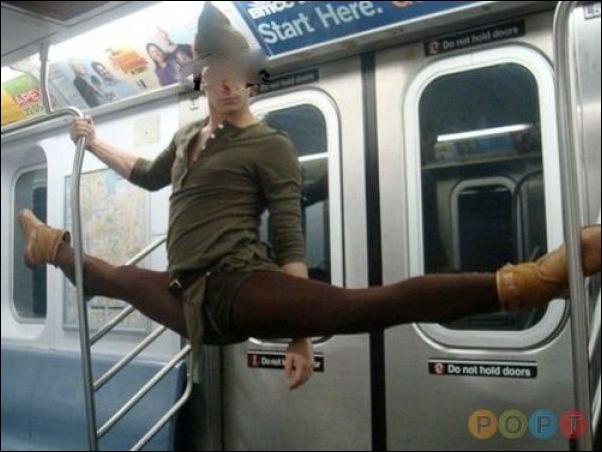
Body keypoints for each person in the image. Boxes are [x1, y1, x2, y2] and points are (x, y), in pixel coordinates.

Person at [17, 2, 602, 391]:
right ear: (202, 79)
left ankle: (531, 281)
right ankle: (49, 246)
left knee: (368, 305)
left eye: (236, 72)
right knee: (110, 276)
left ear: (250, 78)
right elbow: (146, 174)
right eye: (214, 72)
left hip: (241, 285)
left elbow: (289, 235)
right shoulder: (188, 137)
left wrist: (299, 332)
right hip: (186, 296)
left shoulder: (269, 145)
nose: (227, 84)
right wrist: (93, 142)